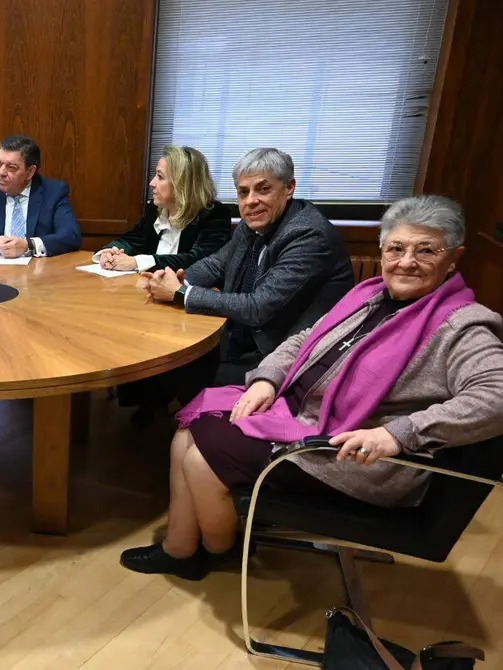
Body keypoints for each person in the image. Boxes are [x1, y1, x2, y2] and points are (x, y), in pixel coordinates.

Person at [120, 195, 503, 581]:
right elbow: (306, 338)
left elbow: (496, 396)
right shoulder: (370, 296)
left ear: (454, 257)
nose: (406, 262)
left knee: (202, 459)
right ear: (382, 251)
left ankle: (222, 550)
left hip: (352, 453)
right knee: (187, 430)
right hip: (298, 412)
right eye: (396, 248)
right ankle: (181, 548)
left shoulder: (462, 325)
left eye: (426, 251)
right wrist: (268, 378)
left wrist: (397, 433)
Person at [139, 147, 354, 402]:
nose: (251, 200)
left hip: (283, 355)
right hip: (243, 338)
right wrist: (172, 278)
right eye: (243, 192)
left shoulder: (308, 235)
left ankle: (198, 428)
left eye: (263, 189)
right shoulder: (252, 222)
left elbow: (258, 306)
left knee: (182, 373)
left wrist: (181, 292)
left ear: (289, 188)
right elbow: (217, 265)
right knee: (163, 354)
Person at [94, 144, 230, 274]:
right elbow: (132, 239)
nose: (152, 183)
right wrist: (110, 252)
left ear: (182, 184)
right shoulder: (156, 208)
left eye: (160, 177)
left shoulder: (214, 214)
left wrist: (137, 262)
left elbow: (198, 260)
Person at [0, 135, 81, 257]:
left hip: (39, 275)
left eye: (11, 167)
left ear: (30, 172)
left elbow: (71, 236)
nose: (1, 173)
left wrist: (29, 245)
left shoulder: (53, 192)